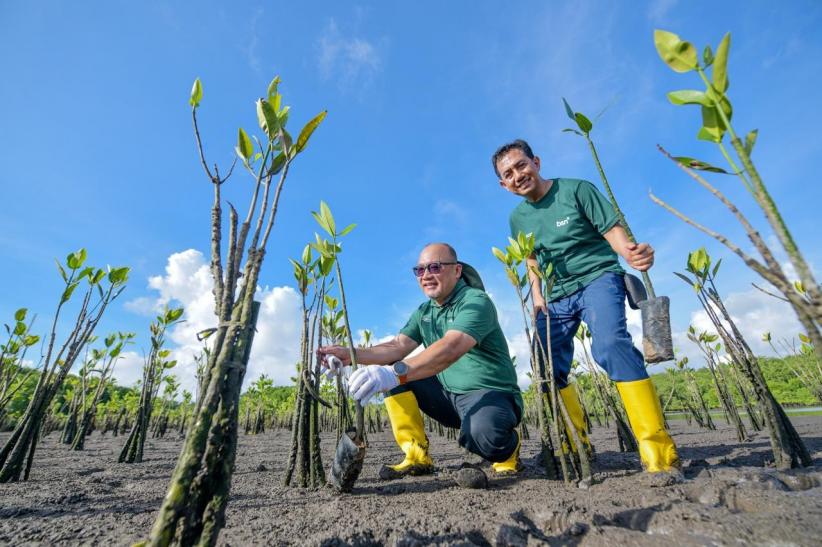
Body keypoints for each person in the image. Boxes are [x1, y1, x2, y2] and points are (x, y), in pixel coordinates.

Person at [492, 139, 679, 473]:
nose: (518, 175)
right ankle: (577, 444)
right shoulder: (517, 218)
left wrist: (631, 253)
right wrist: (536, 297)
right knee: (546, 366)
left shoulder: (577, 190)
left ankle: (658, 452)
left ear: (536, 161)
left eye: (522, 165)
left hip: (598, 278)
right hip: (555, 295)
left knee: (610, 346)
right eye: (509, 173)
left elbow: (611, 230)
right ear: (504, 185)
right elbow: (531, 259)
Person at [318, 243, 523, 480]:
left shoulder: (476, 301)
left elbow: (451, 347)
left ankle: (507, 452)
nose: (426, 275)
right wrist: (348, 354)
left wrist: (394, 373)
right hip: (447, 398)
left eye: (435, 267)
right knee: (391, 371)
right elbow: (396, 347)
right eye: (420, 270)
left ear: (457, 271)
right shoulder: (424, 312)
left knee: (485, 437)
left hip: (490, 395)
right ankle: (416, 455)